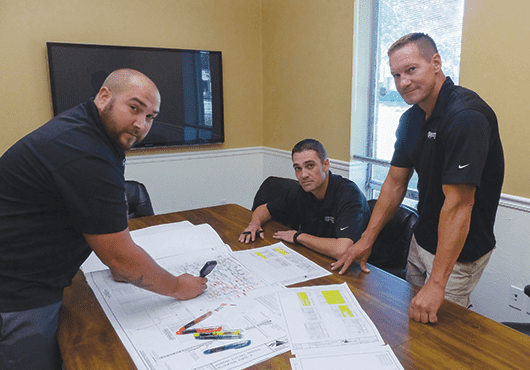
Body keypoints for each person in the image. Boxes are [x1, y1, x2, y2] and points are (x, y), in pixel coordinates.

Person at [0, 69, 207, 369]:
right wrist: (177, 286)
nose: (140, 124)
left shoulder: (90, 130)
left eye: (151, 117)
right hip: (18, 293)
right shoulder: (83, 149)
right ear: (104, 97)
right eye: (134, 108)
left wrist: (123, 265)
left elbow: (103, 213)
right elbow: (119, 256)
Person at [332, 33, 504, 324]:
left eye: (411, 70)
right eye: (396, 75)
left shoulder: (466, 116)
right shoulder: (411, 119)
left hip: (459, 253)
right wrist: (367, 238)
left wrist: (437, 283)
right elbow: (395, 183)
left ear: (436, 63)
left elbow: (460, 204)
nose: (403, 83)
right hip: (421, 239)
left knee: (440, 335)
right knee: (411, 322)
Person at [239, 138, 371, 260]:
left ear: (325, 165)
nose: (303, 175)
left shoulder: (349, 194)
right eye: (298, 168)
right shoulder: (301, 191)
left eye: (310, 166)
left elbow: (342, 250)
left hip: (361, 268)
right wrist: (254, 223)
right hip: (317, 257)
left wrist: (298, 236)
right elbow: (265, 209)